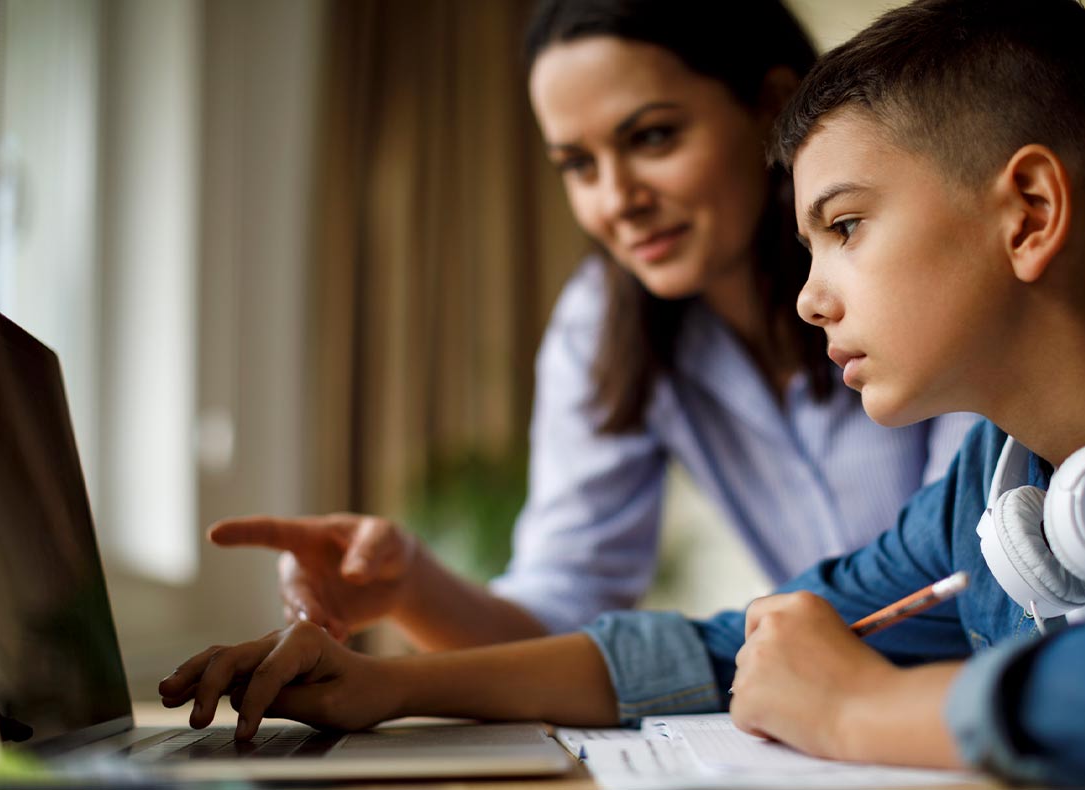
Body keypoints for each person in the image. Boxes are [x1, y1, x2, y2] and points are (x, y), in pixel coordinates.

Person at [159, 0, 1085, 784]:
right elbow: (733, 647)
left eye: (845, 228)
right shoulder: (984, 494)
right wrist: (385, 687)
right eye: (806, 244)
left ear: (1027, 215)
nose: (813, 300)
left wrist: (853, 709)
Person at [206, 0, 974, 651]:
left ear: (772, 107)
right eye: (577, 164)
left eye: (652, 138)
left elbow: (956, 569)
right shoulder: (603, 323)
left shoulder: (915, 269)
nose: (616, 199)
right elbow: (563, 598)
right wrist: (409, 583)